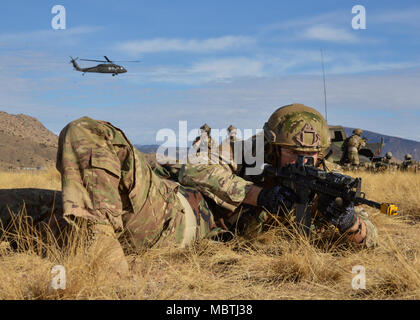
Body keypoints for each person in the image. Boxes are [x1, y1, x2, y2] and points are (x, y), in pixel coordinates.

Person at [56, 104, 378, 274]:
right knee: (87, 134)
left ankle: (105, 263)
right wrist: (259, 194)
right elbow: (194, 168)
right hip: (172, 205)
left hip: (185, 227)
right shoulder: (246, 152)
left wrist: (350, 223)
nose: (303, 164)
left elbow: (371, 239)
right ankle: (99, 243)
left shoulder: (328, 181)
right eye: (293, 154)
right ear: (271, 147)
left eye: (312, 157)